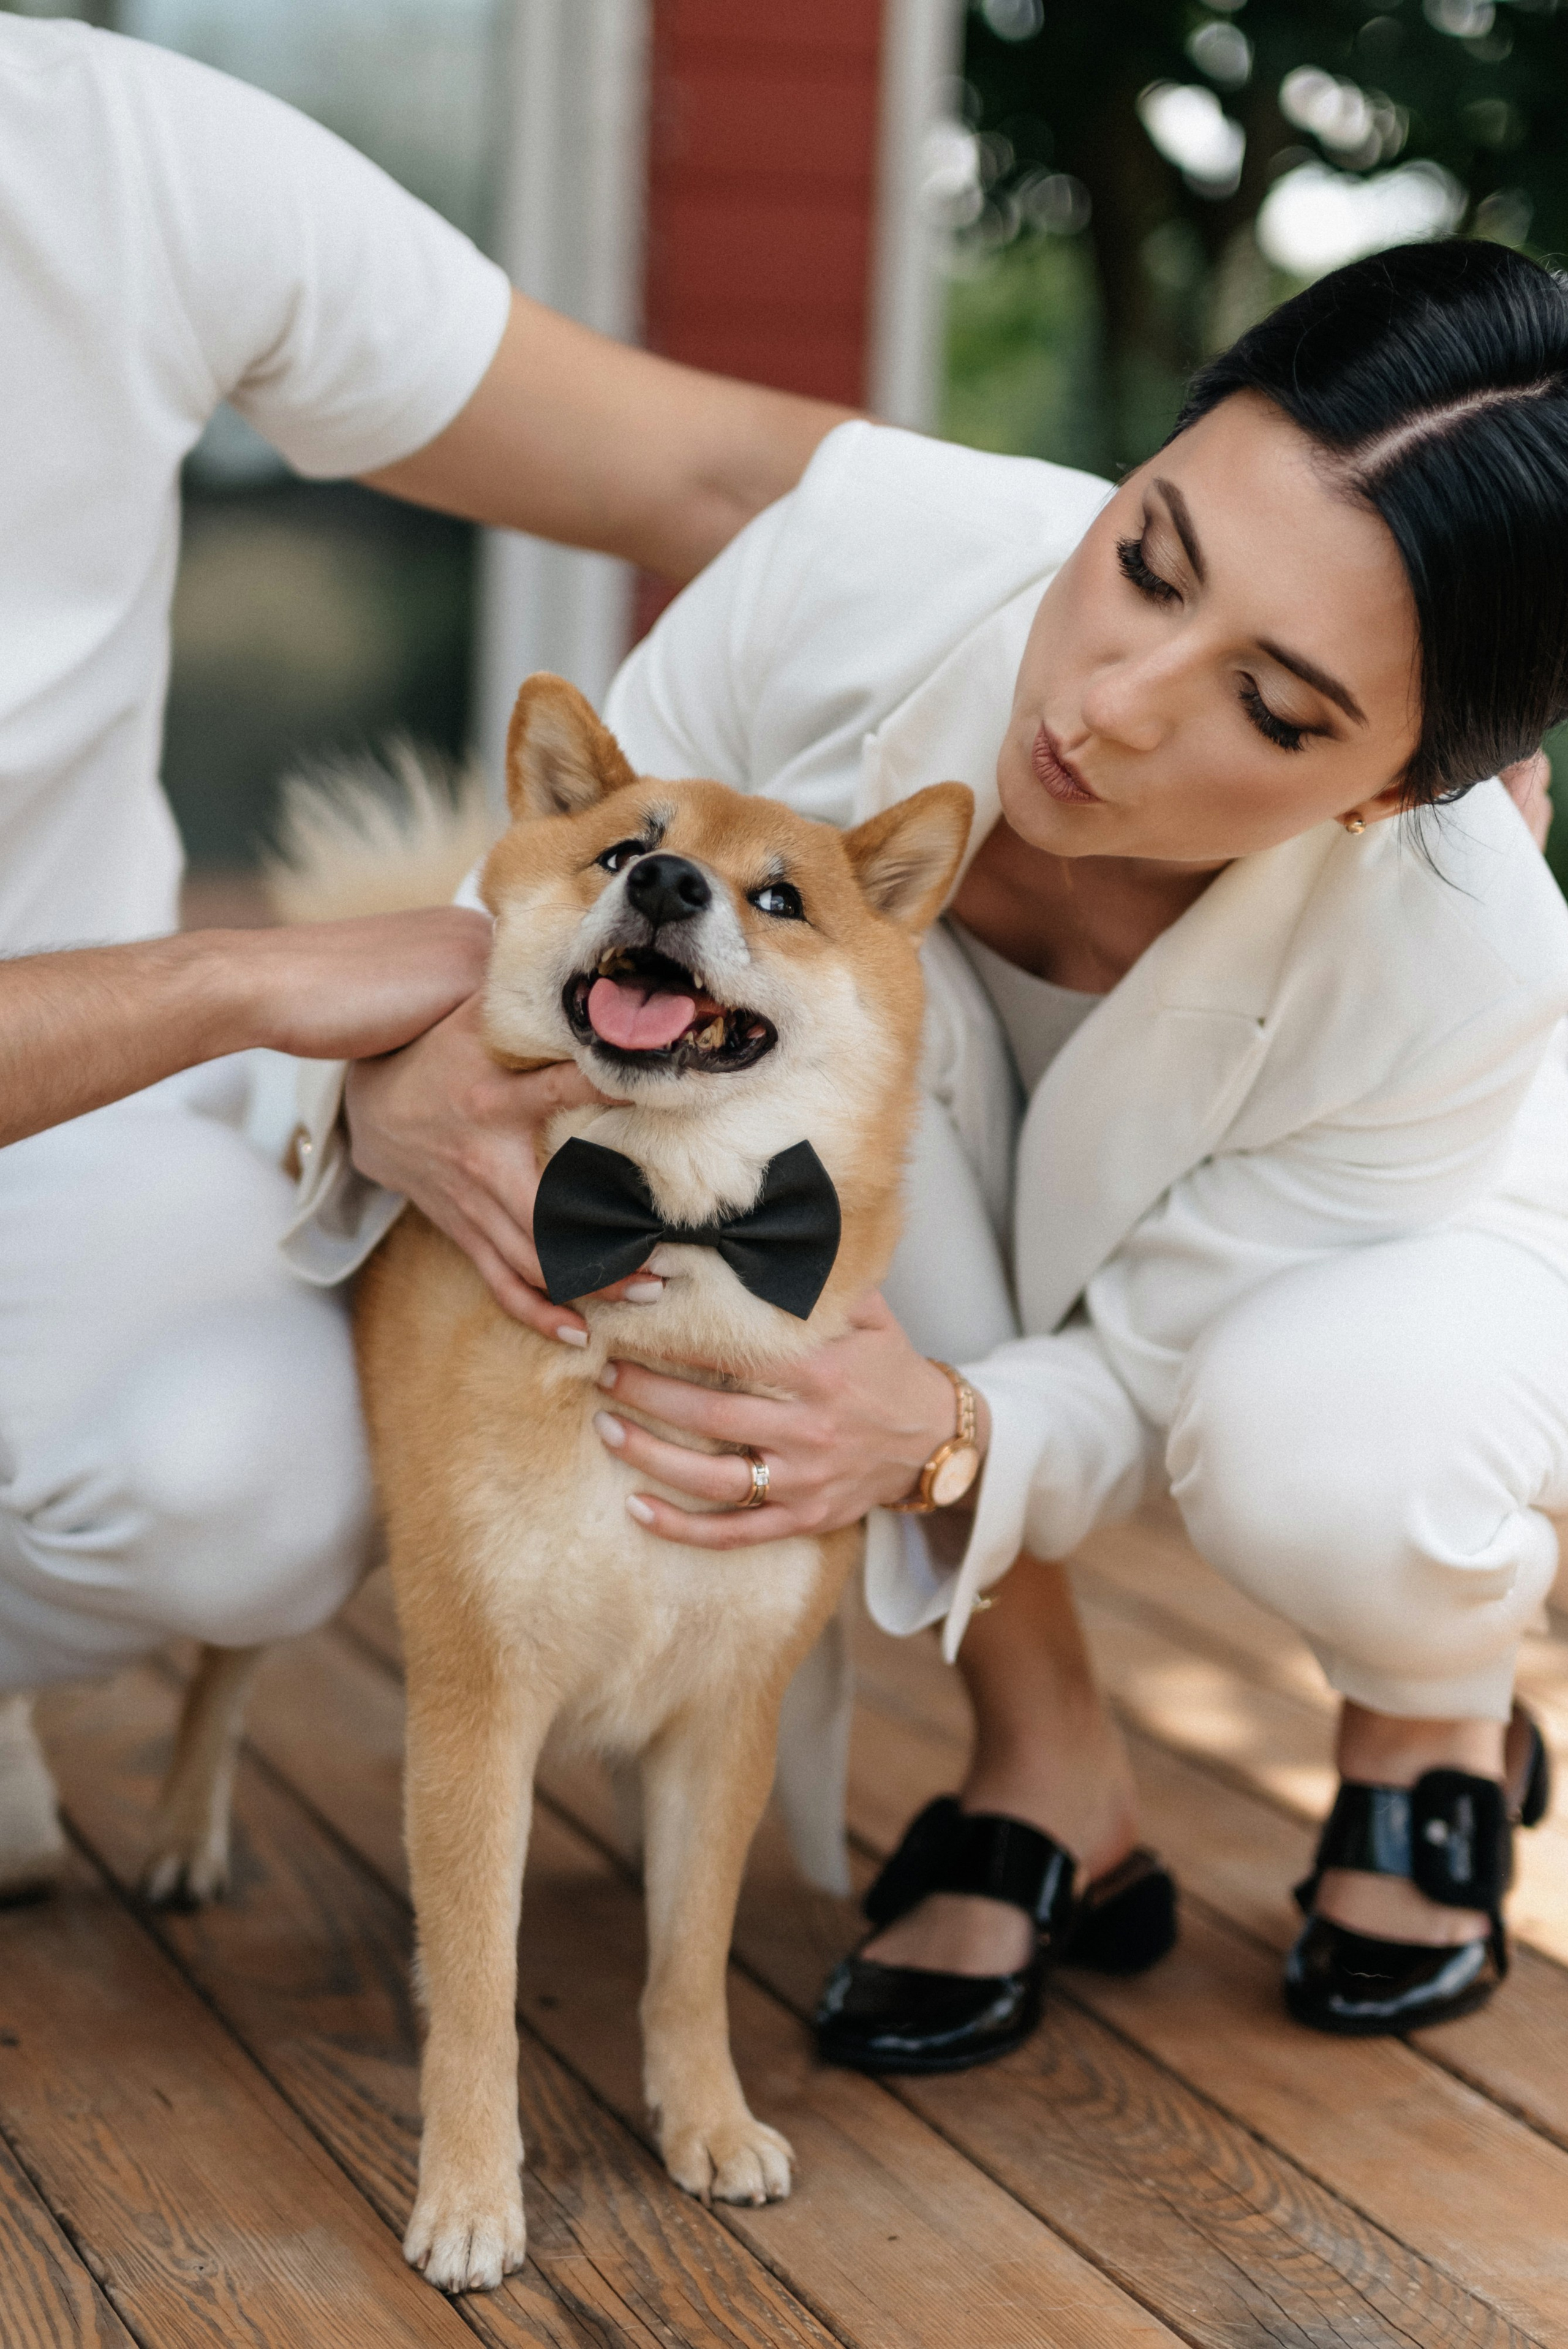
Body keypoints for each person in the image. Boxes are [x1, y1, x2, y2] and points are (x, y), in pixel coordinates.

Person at [298, 235, 1568, 2049]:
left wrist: (954, 1424)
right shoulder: (860, 555)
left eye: (1273, 708)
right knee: (844, 1097)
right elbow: (558, 938)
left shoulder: (1466, 949)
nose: (1109, 699)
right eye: (1148, 559)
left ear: (1392, 788)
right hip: (919, 1151)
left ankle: (1432, 1708)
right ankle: (1050, 1758)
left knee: (1331, 1454)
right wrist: (395, 1077)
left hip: (1409, 1247)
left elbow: (1145, 1371)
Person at [0, 12, 850, 1892]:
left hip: (53, 1136)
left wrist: (1351, 616)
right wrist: (233, 987)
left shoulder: (112, 150)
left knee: (246, 1481)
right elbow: (227, 993)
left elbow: (714, 475)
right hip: (111, 1027)